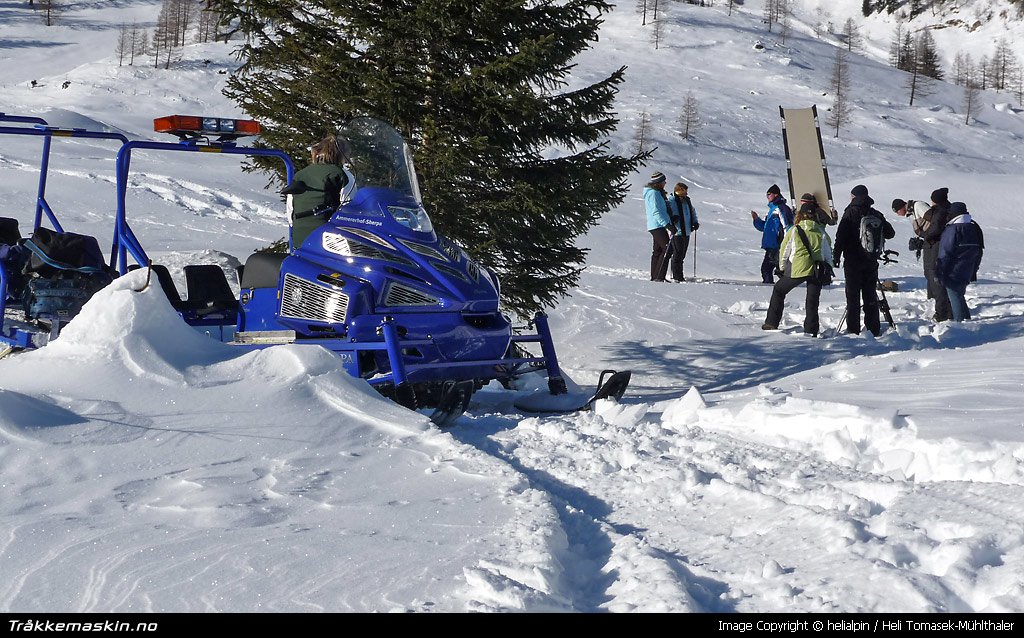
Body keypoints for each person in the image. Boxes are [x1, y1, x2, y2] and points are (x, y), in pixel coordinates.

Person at [761, 202, 833, 336]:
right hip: (816, 270)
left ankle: (771, 322)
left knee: (779, 290)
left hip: (798, 268)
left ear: (801, 215)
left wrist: (782, 268)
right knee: (812, 301)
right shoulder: (821, 231)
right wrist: (829, 268)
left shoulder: (794, 230)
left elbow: (784, 250)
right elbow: (828, 252)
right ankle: (811, 330)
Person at [832, 184, 895, 336]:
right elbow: (890, 233)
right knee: (870, 295)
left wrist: (836, 255)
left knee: (853, 296)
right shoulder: (875, 213)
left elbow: (841, 236)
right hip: (871, 260)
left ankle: (853, 329)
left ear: (853, 197)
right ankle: (873, 328)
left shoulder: (850, 213)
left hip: (853, 260)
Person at [283, 134, 348, 247]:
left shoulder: (300, 175)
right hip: (332, 242)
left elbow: (291, 213)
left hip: (301, 240)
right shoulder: (342, 175)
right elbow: (350, 210)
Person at [935, 202, 984, 322]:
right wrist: (974, 269)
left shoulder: (953, 229)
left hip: (953, 270)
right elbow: (979, 250)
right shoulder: (973, 227)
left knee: (955, 297)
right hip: (968, 268)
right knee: (959, 295)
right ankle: (967, 321)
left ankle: (960, 325)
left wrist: (939, 271)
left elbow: (945, 252)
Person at [750, 184, 794, 284]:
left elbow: (788, 226)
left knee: (770, 269)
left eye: (769, 194)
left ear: (776, 195)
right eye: (767, 195)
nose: (768, 196)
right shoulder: (772, 210)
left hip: (778, 245)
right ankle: (779, 285)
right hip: (771, 246)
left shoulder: (781, 208)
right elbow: (764, 227)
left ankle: (776, 287)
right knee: (771, 269)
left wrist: (787, 243)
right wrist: (756, 220)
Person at [922, 187, 953, 322]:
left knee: (937, 280)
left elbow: (934, 231)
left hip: (935, 248)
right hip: (946, 248)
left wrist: (924, 238)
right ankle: (950, 311)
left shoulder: (940, 211)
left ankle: (942, 313)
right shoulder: (950, 208)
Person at [644, 171, 675, 282]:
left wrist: (670, 219)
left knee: (658, 250)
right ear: (658, 182)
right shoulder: (654, 193)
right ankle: (659, 277)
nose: (665, 183)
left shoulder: (657, 193)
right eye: (663, 181)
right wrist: (667, 224)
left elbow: (662, 210)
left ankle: (655, 277)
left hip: (658, 224)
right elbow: (656, 212)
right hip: (657, 225)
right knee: (667, 249)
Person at [666, 182, 700, 282]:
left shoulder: (687, 201)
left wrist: (695, 222)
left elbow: (692, 212)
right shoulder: (671, 201)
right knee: (678, 254)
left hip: (687, 231)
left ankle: (679, 274)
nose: (686, 194)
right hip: (677, 232)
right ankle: (677, 276)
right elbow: (667, 213)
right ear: (679, 191)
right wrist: (672, 219)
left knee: (682, 254)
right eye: (684, 191)